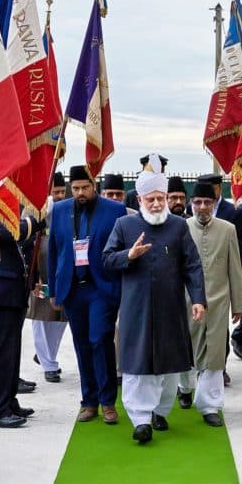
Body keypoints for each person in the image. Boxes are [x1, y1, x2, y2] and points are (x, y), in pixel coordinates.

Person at [102, 169, 206, 443]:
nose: (157, 204)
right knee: (137, 365)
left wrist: (198, 299)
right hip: (136, 309)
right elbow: (107, 259)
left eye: (161, 198)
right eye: (151, 199)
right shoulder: (124, 225)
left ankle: (160, 411)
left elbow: (192, 265)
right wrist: (129, 255)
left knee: (169, 366)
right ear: (140, 200)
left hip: (170, 308)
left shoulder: (178, 226)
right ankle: (140, 420)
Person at [48, 165, 125, 424]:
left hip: (101, 288)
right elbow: (53, 250)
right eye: (76, 188)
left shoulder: (114, 210)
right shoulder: (59, 210)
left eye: (85, 187)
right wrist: (53, 289)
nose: (81, 193)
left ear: (94, 186)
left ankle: (108, 402)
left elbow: (120, 249)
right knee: (82, 344)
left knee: (100, 339)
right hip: (72, 288)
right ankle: (89, 401)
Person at [179, 180, 242, 424]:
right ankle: (185, 388)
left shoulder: (228, 229)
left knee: (215, 354)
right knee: (187, 349)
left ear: (215, 203)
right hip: (186, 300)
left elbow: (234, 268)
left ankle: (210, 406)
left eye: (207, 202)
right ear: (191, 204)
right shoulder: (181, 228)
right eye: (198, 202)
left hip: (218, 300)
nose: (203, 207)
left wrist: (238, 304)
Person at [0, 215, 39, 428]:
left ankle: (8, 401)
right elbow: (12, 232)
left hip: (13, 290)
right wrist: (36, 218)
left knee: (11, 353)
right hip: (0, 293)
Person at [30, 172, 69, 384]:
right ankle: (48, 364)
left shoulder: (69, 210)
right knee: (41, 317)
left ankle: (46, 355)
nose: (59, 196)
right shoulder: (35, 210)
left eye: (62, 191)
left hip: (61, 269)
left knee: (60, 317)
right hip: (40, 270)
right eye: (55, 192)